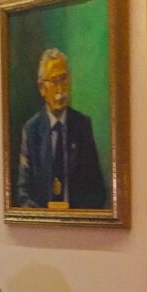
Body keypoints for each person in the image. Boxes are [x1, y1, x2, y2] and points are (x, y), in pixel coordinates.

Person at [16, 49, 107, 210]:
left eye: (64, 79)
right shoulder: (31, 130)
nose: (60, 89)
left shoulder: (82, 125)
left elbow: (97, 190)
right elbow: (23, 193)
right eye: (54, 81)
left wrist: (72, 216)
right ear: (42, 88)